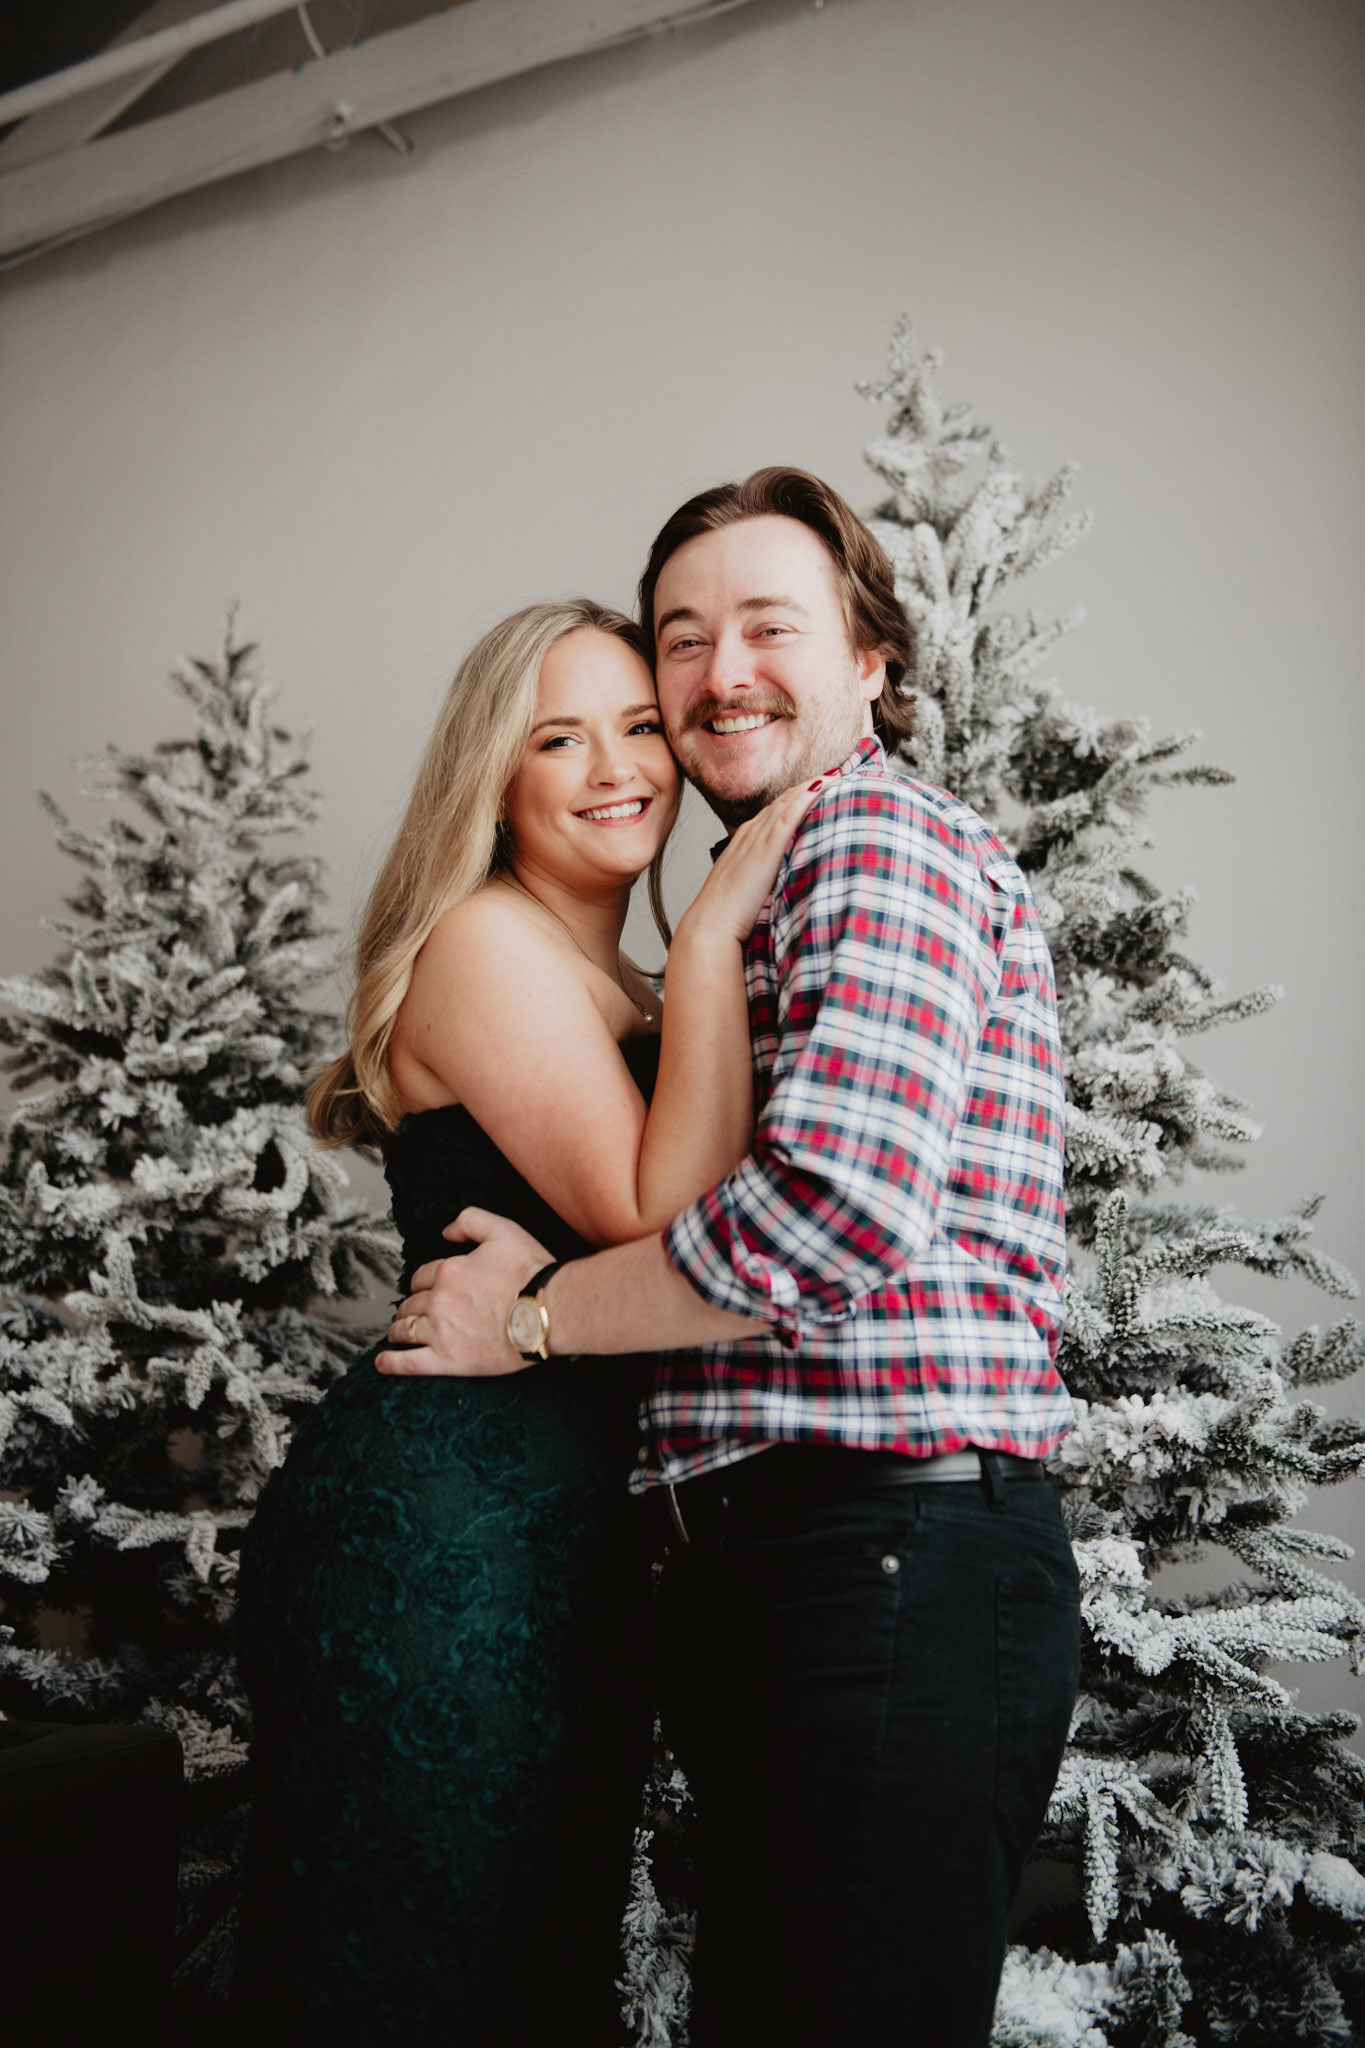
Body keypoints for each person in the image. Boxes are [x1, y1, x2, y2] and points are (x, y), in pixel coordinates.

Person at [378, 469, 1083, 2048]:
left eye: (770, 626)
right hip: (801, 1560)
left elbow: (826, 1214)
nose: (717, 674)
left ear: (870, 661)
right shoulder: (764, 885)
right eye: (682, 639)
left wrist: (535, 1318)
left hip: (882, 1547)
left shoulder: (872, 847)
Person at [231, 596, 817, 2047]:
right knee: (425, 1982)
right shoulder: (488, 943)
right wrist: (714, 935)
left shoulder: (623, 981)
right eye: (559, 739)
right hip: (445, 1539)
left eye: (639, 726)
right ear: (494, 779)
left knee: (533, 1978)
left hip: (577, 1541)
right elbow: (657, 1213)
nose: (617, 768)